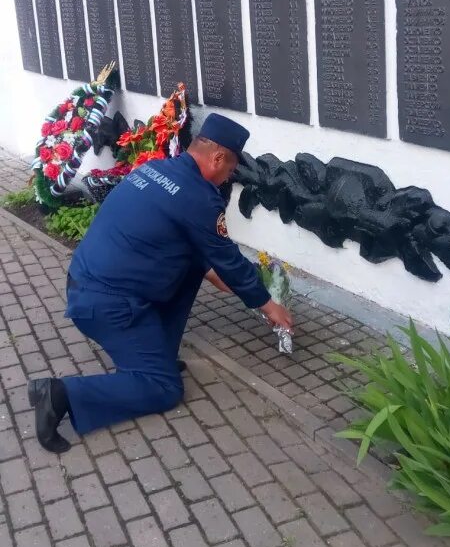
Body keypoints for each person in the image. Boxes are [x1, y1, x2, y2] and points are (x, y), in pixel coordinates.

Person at [28, 113, 293, 453]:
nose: (229, 177)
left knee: (194, 266)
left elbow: (202, 255)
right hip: (107, 305)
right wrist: (268, 304)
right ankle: (60, 394)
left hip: (88, 283)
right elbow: (227, 259)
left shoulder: (155, 170)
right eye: (230, 169)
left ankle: (158, 353)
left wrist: (220, 274)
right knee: (164, 388)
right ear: (216, 158)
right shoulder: (199, 196)